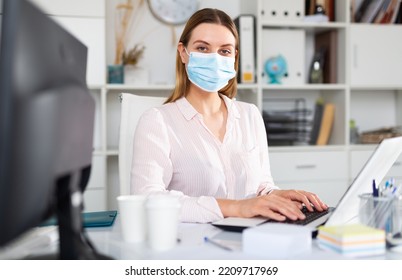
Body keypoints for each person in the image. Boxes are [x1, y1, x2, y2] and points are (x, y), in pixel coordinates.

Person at [131, 8, 328, 223]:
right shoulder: (157, 121)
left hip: (251, 239)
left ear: (234, 57)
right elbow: (146, 199)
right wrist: (237, 207)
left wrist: (276, 195)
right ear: (183, 52)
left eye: (224, 51)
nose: (214, 58)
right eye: (203, 48)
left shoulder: (250, 115)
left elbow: (262, 185)